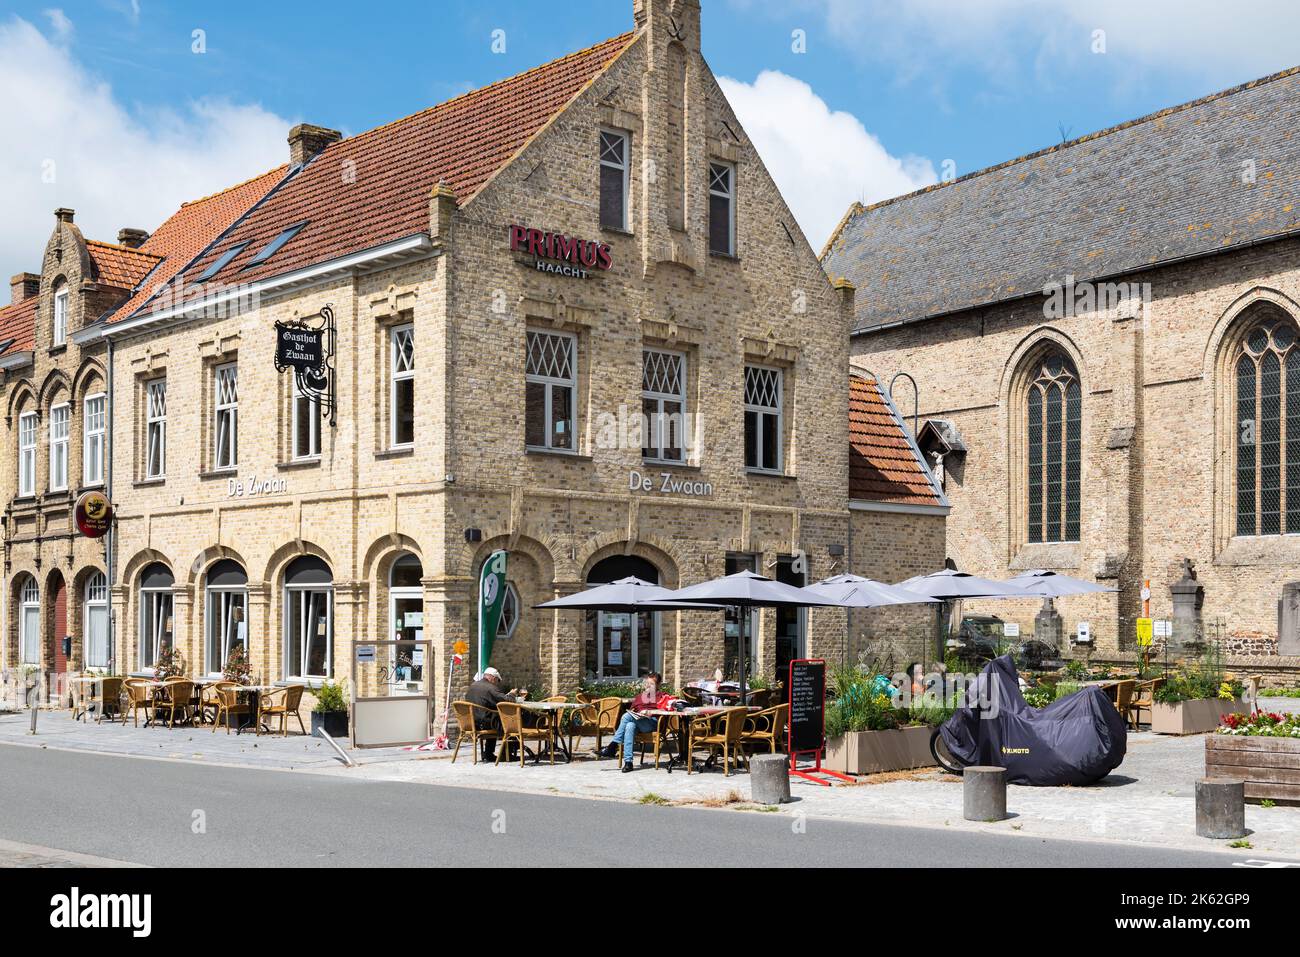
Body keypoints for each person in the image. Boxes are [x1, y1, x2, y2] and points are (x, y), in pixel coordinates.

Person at [601, 672, 676, 772]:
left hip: (653, 723)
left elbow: (668, 710)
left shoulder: (663, 696)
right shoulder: (640, 697)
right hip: (638, 722)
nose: (648, 686)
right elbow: (632, 711)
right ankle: (628, 763)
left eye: (651, 684)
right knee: (629, 726)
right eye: (647, 683)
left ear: (658, 685)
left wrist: (649, 712)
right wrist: (636, 713)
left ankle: (613, 746)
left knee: (626, 716)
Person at [466, 667, 523, 761]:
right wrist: (512, 694)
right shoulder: (490, 688)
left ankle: (488, 753)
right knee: (511, 724)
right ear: (492, 678)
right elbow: (510, 701)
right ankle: (506, 753)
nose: (497, 683)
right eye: (497, 680)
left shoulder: (473, 686)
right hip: (484, 723)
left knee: (497, 720)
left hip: (472, 722)